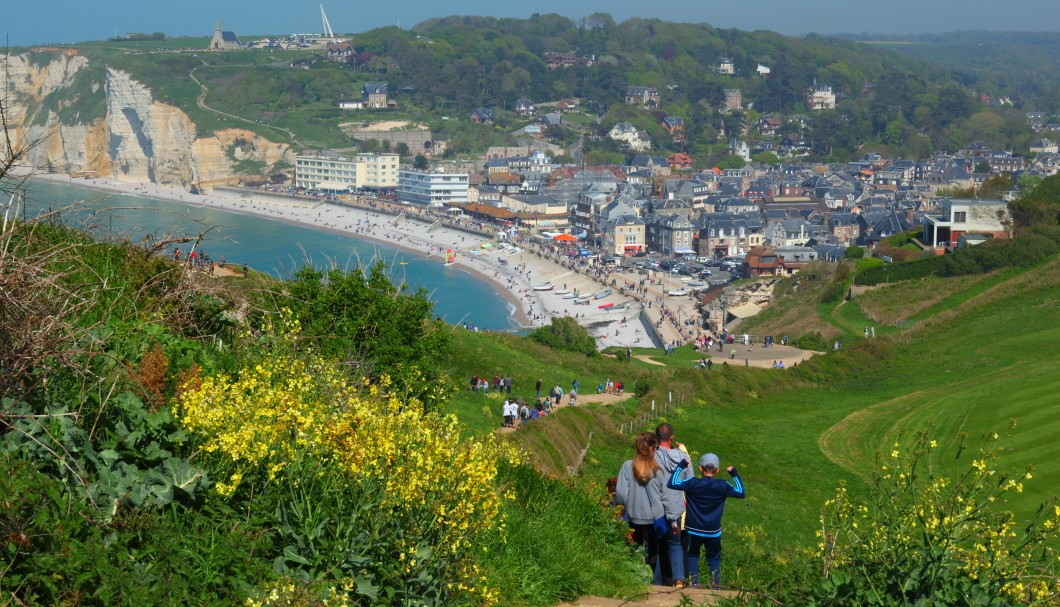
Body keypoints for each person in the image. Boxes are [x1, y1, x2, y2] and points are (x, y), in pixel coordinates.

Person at [667, 453, 745, 588]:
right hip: (713, 531)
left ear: (700, 469)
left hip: (693, 529)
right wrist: (734, 474)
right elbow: (741, 492)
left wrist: (681, 466)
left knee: (693, 556)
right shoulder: (723, 485)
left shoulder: (693, 483)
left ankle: (693, 585)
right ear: (717, 470)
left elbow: (672, 483)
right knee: (713, 559)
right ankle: (715, 587)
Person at [614, 433, 666, 577]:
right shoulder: (658, 468)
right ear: (653, 449)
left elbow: (621, 494)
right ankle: (651, 578)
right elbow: (664, 494)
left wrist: (620, 507)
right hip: (655, 516)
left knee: (634, 548)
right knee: (653, 550)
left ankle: (635, 576)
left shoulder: (627, 466)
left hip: (633, 514)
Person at [654, 423, 692, 587]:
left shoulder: (652, 457)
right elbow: (690, 482)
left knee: (656, 546)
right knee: (675, 545)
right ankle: (678, 580)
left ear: (656, 439)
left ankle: (654, 582)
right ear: (672, 437)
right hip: (676, 506)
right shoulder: (683, 458)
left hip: (656, 505)